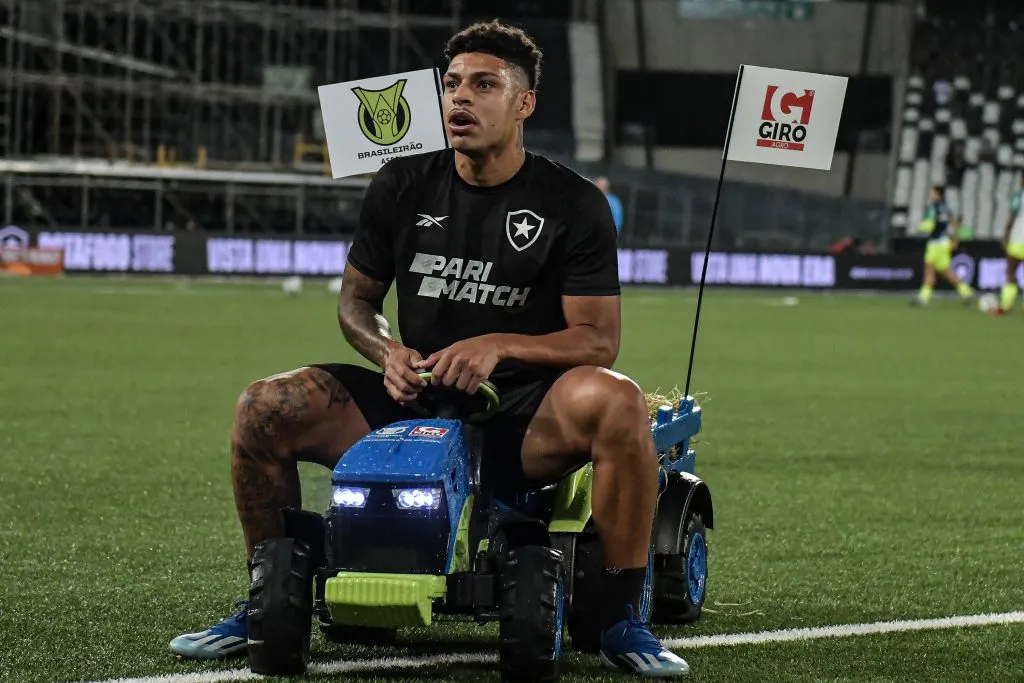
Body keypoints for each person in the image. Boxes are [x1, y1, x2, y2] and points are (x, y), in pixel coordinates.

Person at [169, 19, 691, 678]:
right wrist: (386, 350)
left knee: (617, 401)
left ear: (524, 103)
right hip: (411, 407)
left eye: (484, 85)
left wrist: (498, 345)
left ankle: (618, 618)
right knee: (263, 406)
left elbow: (598, 339)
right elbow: (356, 302)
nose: (460, 97)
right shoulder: (402, 183)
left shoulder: (573, 202)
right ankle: (263, 601)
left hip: (521, 417)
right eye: (451, 84)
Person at [912, 184, 974, 306]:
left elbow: (930, 225)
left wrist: (921, 227)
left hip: (935, 244)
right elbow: (955, 224)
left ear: (937, 194)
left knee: (929, 270)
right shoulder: (946, 208)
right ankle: (966, 292)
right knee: (947, 272)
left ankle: (923, 298)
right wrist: (955, 240)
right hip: (944, 243)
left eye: (932, 192)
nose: (930, 194)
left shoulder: (933, 208)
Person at [990, 175, 1024, 316]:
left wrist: (1006, 235)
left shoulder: (1019, 196)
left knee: (1011, 271)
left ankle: (1005, 306)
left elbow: (1012, 217)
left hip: (1018, 238)